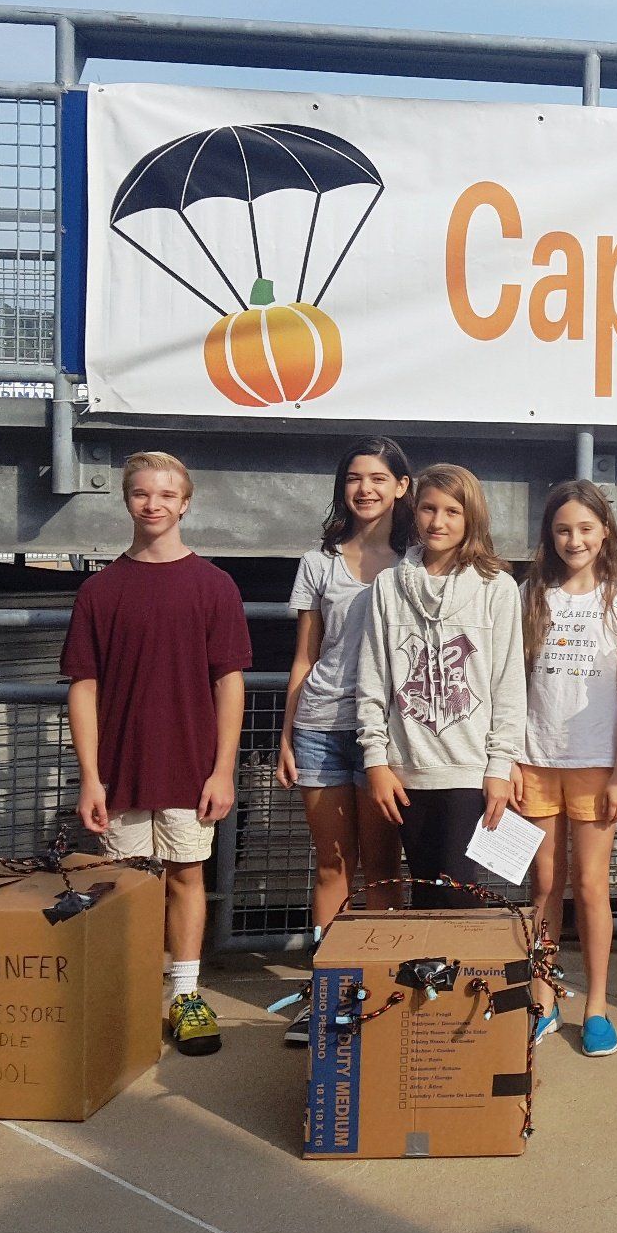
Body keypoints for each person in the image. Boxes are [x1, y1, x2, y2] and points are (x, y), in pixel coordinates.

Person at [62, 451, 251, 1056]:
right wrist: (90, 777)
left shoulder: (214, 586)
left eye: (166, 494)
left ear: (185, 502)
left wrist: (222, 769)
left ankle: (186, 993)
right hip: (121, 770)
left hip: (191, 767)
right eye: (142, 493)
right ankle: (136, 992)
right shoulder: (99, 590)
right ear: (126, 500)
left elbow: (230, 683)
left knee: (186, 877)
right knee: (128, 887)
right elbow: (83, 687)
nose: (154, 504)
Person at [274, 436, 413, 1046]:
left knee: (383, 869)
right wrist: (287, 735)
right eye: (355, 477)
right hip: (322, 729)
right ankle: (327, 994)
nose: (366, 488)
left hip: (388, 733)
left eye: (379, 478)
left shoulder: (417, 561)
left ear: (402, 487)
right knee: (333, 865)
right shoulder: (319, 562)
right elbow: (305, 656)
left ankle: (376, 994)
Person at [515, 480, 617, 1056]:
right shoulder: (530, 595)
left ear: (604, 533)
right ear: (550, 533)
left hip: (597, 764)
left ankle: (596, 1006)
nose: (575, 539)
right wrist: (511, 759)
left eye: (586, 529)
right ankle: (542, 996)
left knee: (592, 886)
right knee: (544, 883)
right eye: (564, 529)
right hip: (535, 759)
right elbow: (512, 681)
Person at [356, 464, 526, 915]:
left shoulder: (497, 588)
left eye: (453, 511)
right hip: (406, 769)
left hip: (470, 770)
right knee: (427, 893)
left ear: (472, 518)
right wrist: (376, 760)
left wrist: (500, 765)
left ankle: (476, 982)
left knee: (457, 891)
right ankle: (433, 984)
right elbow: (373, 679)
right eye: (429, 508)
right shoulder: (388, 586)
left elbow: (508, 684)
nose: (439, 521)